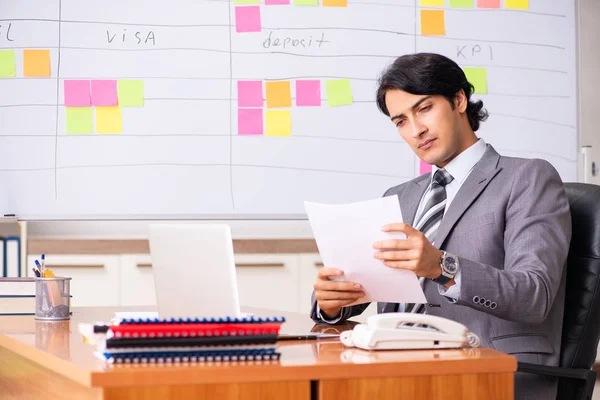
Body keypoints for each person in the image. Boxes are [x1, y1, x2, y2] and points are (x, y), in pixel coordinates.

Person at [309, 52, 571, 400]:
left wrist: (441, 267)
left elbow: (534, 296)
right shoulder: (399, 197)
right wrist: (333, 302)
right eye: (400, 121)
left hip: (486, 370)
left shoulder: (527, 178)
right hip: (395, 370)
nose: (416, 130)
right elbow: (368, 285)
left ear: (459, 100)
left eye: (424, 108)